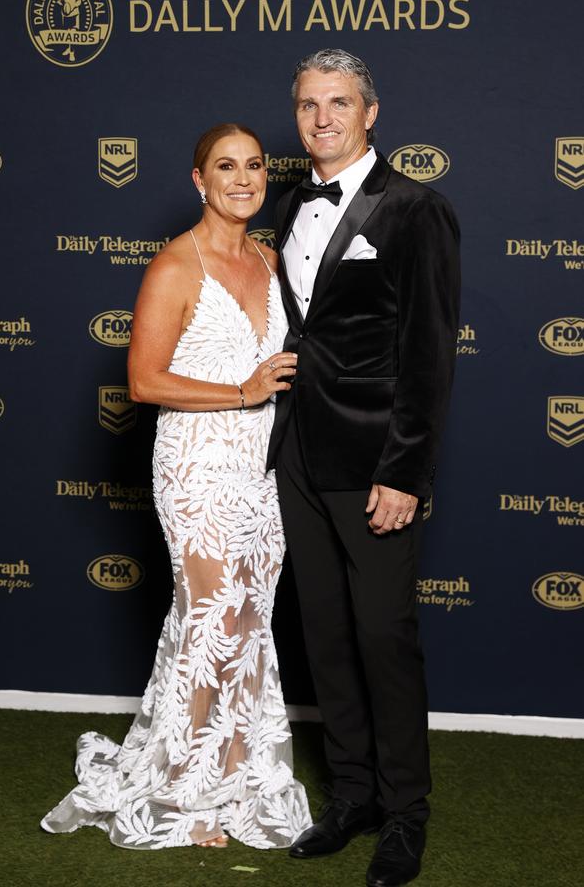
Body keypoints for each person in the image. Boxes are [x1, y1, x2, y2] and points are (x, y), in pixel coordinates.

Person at [40, 123, 311, 850]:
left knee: (250, 621)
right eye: (226, 166)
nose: (244, 178)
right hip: (198, 464)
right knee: (212, 617)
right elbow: (142, 381)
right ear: (199, 180)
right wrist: (243, 388)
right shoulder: (172, 267)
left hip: (266, 466)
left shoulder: (270, 257)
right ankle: (187, 790)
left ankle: (233, 771)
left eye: (254, 165)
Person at [266, 49, 461, 886]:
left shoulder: (416, 210)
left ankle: (404, 815)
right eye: (309, 105)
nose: (323, 119)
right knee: (326, 637)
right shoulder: (286, 204)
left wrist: (405, 473)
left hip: (376, 462)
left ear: (370, 112)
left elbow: (428, 355)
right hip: (298, 456)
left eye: (339, 103)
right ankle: (351, 797)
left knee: (385, 638)